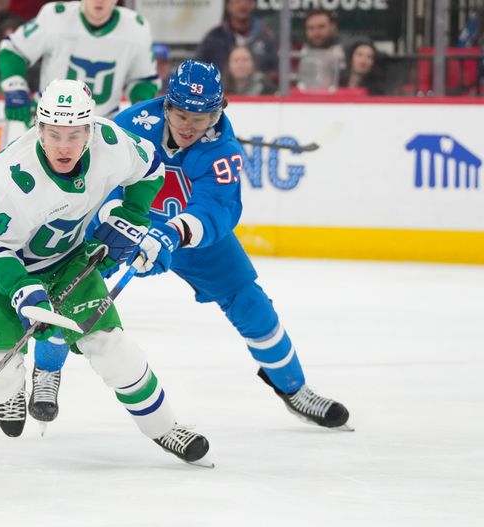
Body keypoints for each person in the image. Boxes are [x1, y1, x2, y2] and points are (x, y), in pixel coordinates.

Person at [30, 61, 351, 432]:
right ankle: (47, 372)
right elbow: (101, 179)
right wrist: (116, 216)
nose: (188, 126)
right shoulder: (133, 125)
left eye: (200, 118)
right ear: (166, 104)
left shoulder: (223, 149)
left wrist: (173, 233)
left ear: (218, 112)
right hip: (126, 226)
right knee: (71, 290)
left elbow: (216, 209)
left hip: (191, 238)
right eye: (181, 115)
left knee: (250, 301)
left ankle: (294, 389)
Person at [0, 79, 211, 465]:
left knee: (114, 349)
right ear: (39, 128)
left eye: (75, 134)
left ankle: (166, 427)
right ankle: (12, 387)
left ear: (91, 129)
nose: (64, 146)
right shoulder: (12, 179)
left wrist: (130, 216)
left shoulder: (110, 143)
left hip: (66, 262)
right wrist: (24, 291)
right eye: (54, 135)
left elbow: (148, 168)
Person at [0, 0, 159, 126]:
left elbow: (144, 80)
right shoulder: (55, 17)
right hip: (49, 123)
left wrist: (140, 108)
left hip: (102, 126)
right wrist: (15, 87)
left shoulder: (137, 29)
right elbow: (13, 50)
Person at [195, 0, 278, 83]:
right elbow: (197, 71)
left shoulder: (266, 36)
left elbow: (276, 72)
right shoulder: (214, 38)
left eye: (247, 1)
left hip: (259, 93)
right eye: (237, 1)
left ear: (253, 4)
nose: (242, 5)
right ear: (228, 6)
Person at [296, 9, 345, 91]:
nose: (316, 33)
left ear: (333, 27)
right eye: (311, 28)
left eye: (321, 27)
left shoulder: (346, 50)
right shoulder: (299, 52)